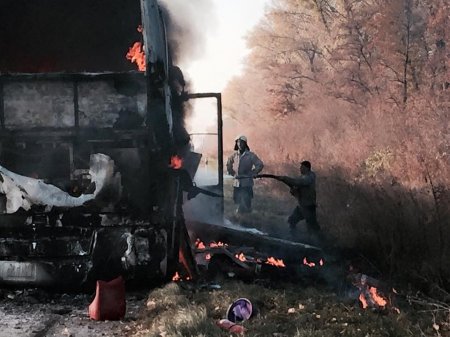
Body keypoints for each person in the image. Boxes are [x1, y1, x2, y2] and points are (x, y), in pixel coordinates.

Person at [279, 161, 320, 236]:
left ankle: (320, 243)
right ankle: (294, 237)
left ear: (306, 168)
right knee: (291, 221)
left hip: (309, 206)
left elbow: (299, 182)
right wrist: (294, 191)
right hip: (302, 206)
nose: (300, 169)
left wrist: (285, 178)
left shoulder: (310, 176)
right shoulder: (302, 177)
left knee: (313, 227)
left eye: (302, 167)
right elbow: (296, 187)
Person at [226, 135, 264, 214]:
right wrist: (232, 173)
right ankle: (240, 214)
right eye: (238, 142)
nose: (239, 144)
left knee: (247, 201)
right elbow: (228, 164)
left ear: (245, 144)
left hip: (247, 183)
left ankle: (247, 215)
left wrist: (254, 172)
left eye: (241, 142)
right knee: (237, 200)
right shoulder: (234, 155)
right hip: (237, 183)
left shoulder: (250, 155)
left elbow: (259, 164)